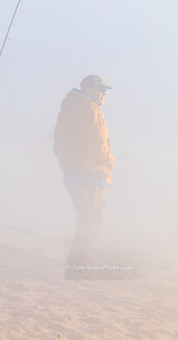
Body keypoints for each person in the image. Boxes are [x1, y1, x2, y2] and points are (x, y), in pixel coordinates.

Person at [53, 75, 115, 265]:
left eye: (104, 90)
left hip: (73, 172)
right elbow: (99, 143)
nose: (104, 93)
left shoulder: (70, 107)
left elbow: (58, 142)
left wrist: (68, 163)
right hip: (91, 173)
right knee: (92, 216)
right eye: (100, 89)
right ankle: (79, 262)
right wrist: (110, 162)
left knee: (86, 216)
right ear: (88, 89)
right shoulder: (90, 110)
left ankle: (78, 259)